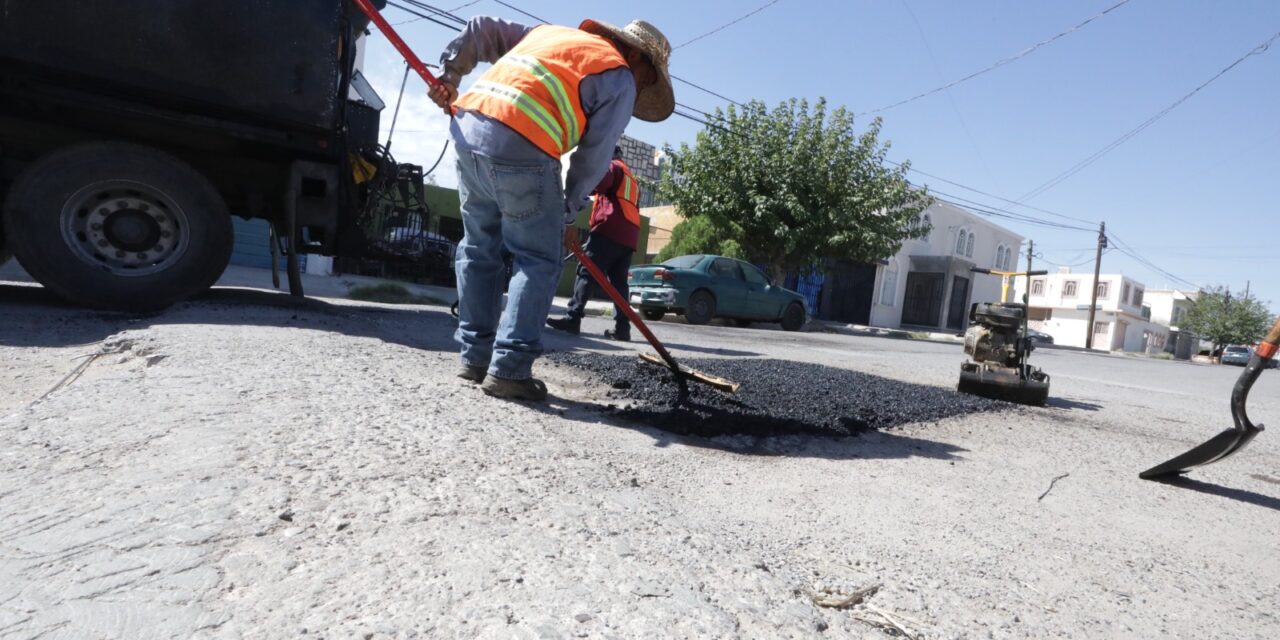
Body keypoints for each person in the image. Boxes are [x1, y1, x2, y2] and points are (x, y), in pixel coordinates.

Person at [429, 16, 674, 401]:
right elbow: (594, 158)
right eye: (649, 78)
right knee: (538, 258)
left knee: (479, 247)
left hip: (469, 130)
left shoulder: (548, 35)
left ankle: (474, 358)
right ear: (638, 58)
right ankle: (509, 369)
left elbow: (480, 28)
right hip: (524, 143)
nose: (642, 86)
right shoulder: (621, 75)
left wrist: (450, 75)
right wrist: (566, 210)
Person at [546, 145, 641, 341]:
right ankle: (623, 329)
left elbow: (598, 183)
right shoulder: (631, 177)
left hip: (610, 229)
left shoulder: (612, 167)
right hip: (629, 236)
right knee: (619, 284)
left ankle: (573, 318)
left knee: (586, 272)